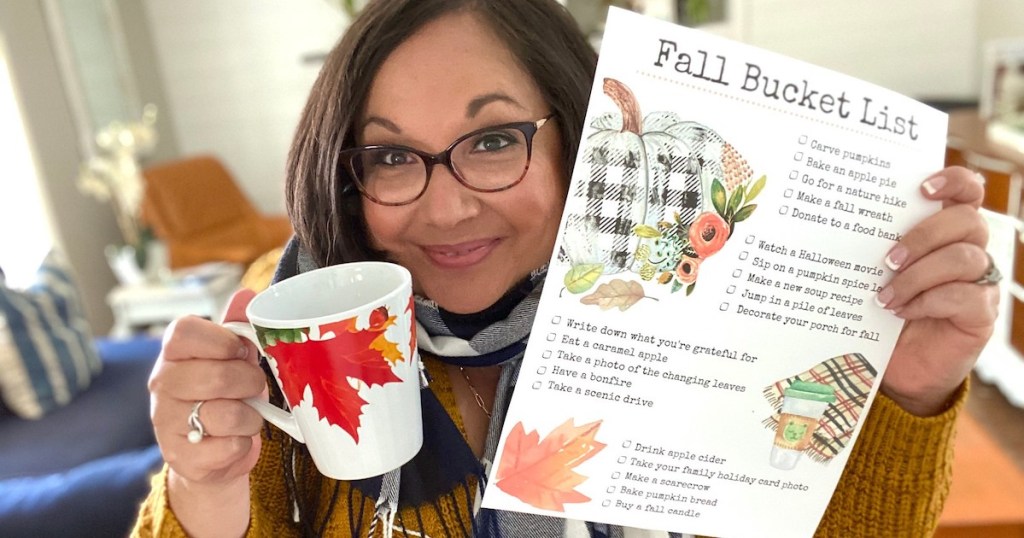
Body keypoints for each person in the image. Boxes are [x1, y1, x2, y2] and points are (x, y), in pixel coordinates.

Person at [134, 0, 999, 536]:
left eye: (494, 140)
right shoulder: (287, 321)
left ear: (581, 136)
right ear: (348, 178)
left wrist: (910, 389)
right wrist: (203, 493)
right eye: (391, 157)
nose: (446, 208)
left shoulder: (699, 300)